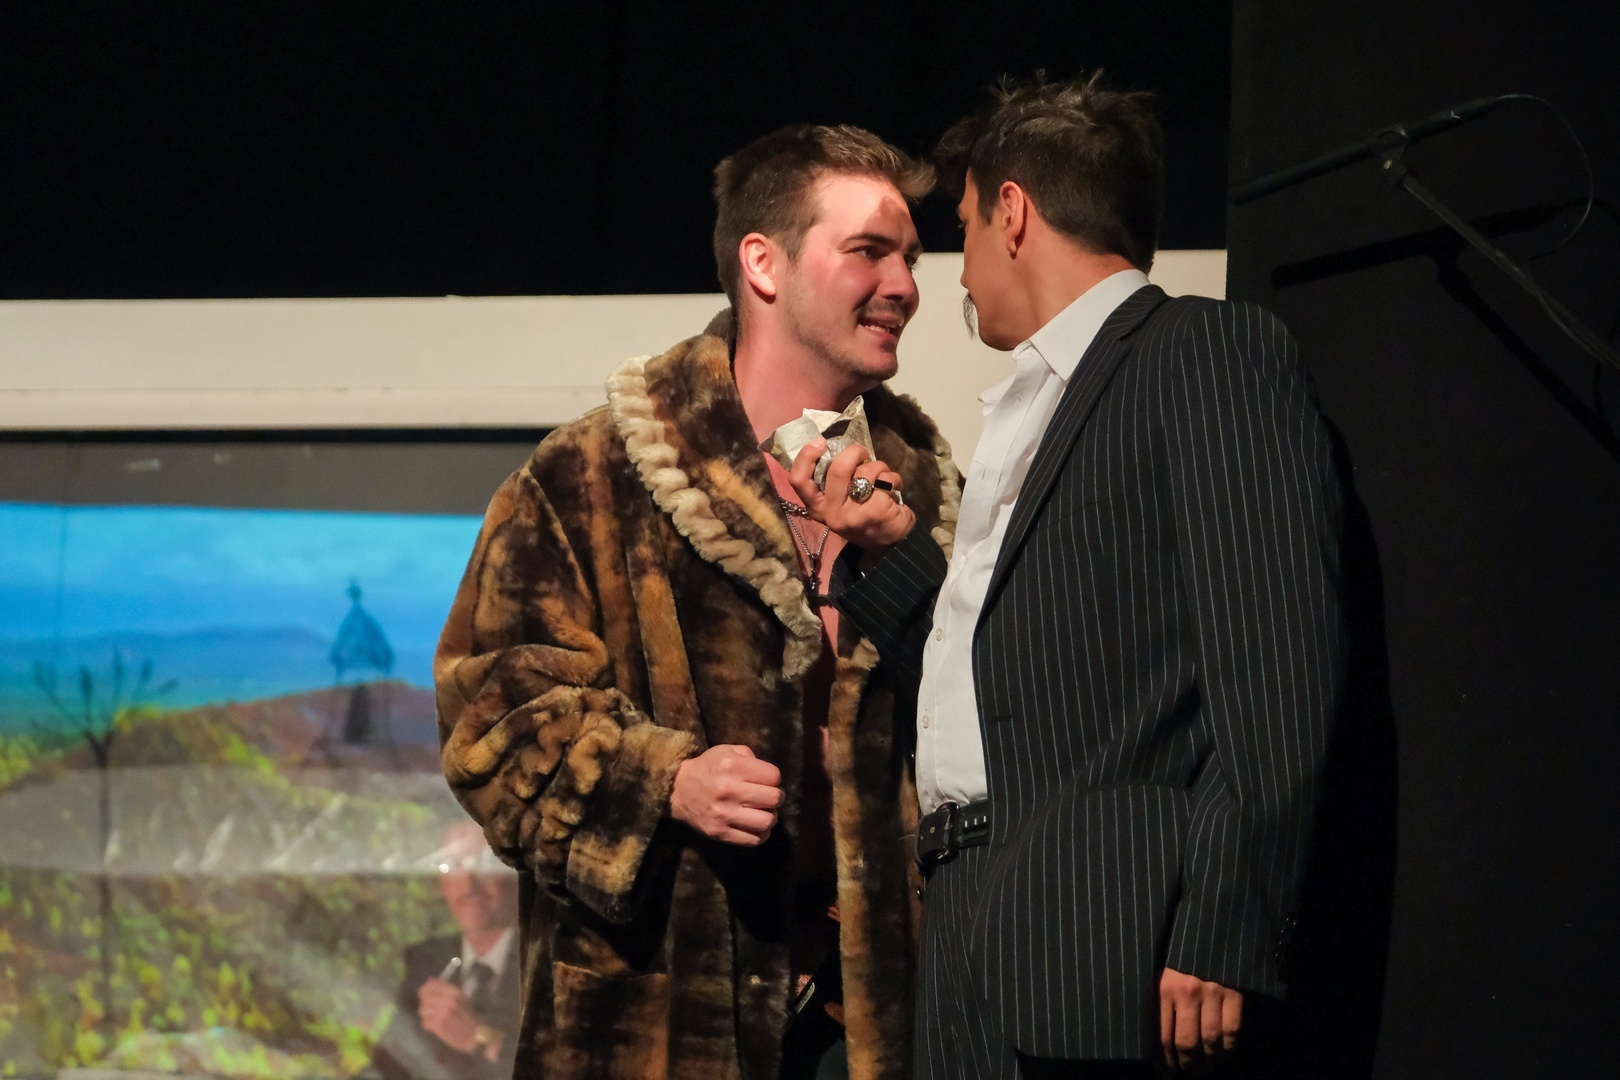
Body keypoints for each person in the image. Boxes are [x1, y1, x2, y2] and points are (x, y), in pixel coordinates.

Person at [792, 73, 1346, 1079]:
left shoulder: (1199, 353)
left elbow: (1278, 664)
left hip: (1105, 936)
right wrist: (892, 550)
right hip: (974, 919)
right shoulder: (1033, 405)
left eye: (963, 228)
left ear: (1012, 212)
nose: (958, 275)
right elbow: (1007, 686)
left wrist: (1223, 925)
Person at [434, 124, 960, 1080]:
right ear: (764, 263)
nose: (903, 286)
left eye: (911, 259)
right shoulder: (590, 474)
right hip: (661, 1018)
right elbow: (492, 720)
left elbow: (990, 718)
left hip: (878, 1023)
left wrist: (904, 560)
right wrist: (663, 780)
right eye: (868, 251)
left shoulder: (924, 490)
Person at [372, 821, 522, 1080]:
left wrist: (480, 1038)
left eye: (484, 864)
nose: (468, 884)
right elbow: (387, 1064)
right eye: (453, 866)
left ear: (515, 876)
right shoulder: (428, 960)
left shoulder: (549, 965)